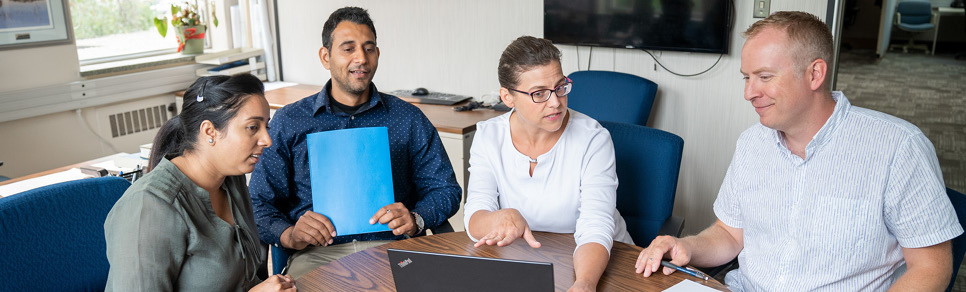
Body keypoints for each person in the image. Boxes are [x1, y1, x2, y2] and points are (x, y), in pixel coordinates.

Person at [634, 11, 963, 291]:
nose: (749, 92)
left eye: (764, 76)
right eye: (746, 78)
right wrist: (685, 246)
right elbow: (730, 235)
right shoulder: (752, 143)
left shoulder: (898, 147)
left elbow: (931, 268)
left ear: (815, 74)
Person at [248, 6, 462, 279]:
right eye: (348, 49)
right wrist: (289, 235)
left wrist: (416, 218)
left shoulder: (407, 118)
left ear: (377, 54)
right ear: (325, 57)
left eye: (369, 48)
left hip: (393, 250)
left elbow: (445, 189)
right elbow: (258, 202)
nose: (361, 58)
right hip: (318, 255)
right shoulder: (290, 121)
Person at [463, 36, 633, 292]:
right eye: (539, 93)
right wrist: (499, 218)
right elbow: (475, 216)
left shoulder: (593, 139)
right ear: (508, 97)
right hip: (527, 262)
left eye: (560, 87)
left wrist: (584, 284)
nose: (555, 102)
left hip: (598, 264)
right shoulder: (489, 136)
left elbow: (595, 227)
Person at [104, 74, 296, 291]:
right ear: (209, 131)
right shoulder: (148, 207)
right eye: (253, 127)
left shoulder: (232, 179)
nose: (267, 140)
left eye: (266, 126)